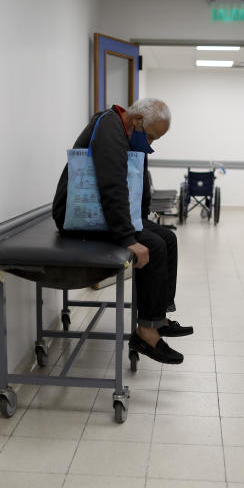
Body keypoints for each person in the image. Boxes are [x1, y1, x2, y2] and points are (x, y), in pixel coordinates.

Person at [53, 98, 192, 364]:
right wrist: (128, 238)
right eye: (150, 137)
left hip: (102, 215)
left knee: (168, 238)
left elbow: (136, 181)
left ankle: (158, 319)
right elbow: (111, 186)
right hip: (78, 217)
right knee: (153, 245)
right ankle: (146, 333)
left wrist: (140, 219)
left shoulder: (126, 129)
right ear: (138, 120)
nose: (150, 144)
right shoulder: (109, 128)